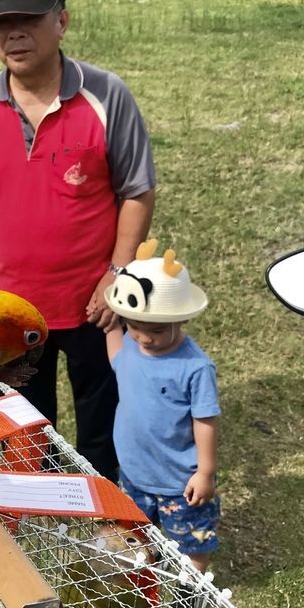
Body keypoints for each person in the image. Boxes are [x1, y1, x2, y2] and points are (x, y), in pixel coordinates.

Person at [0, 0, 156, 480]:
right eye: (2, 23)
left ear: (62, 22)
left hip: (94, 305)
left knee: (104, 421)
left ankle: (104, 511)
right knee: (25, 428)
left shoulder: (106, 97)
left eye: (29, 20)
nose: (14, 34)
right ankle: (41, 511)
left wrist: (117, 275)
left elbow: (137, 190)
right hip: (12, 311)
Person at [104, 240, 219, 572]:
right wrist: (113, 327)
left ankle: (189, 591)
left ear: (180, 320)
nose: (142, 337)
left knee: (192, 540)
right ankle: (142, 578)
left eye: (154, 329)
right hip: (134, 470)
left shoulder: (195, 367)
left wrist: (205, 472)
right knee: (135, 533)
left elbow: (205, 420)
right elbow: (118, 362)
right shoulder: (130, 343)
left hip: (179, 482)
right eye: (134, 325)